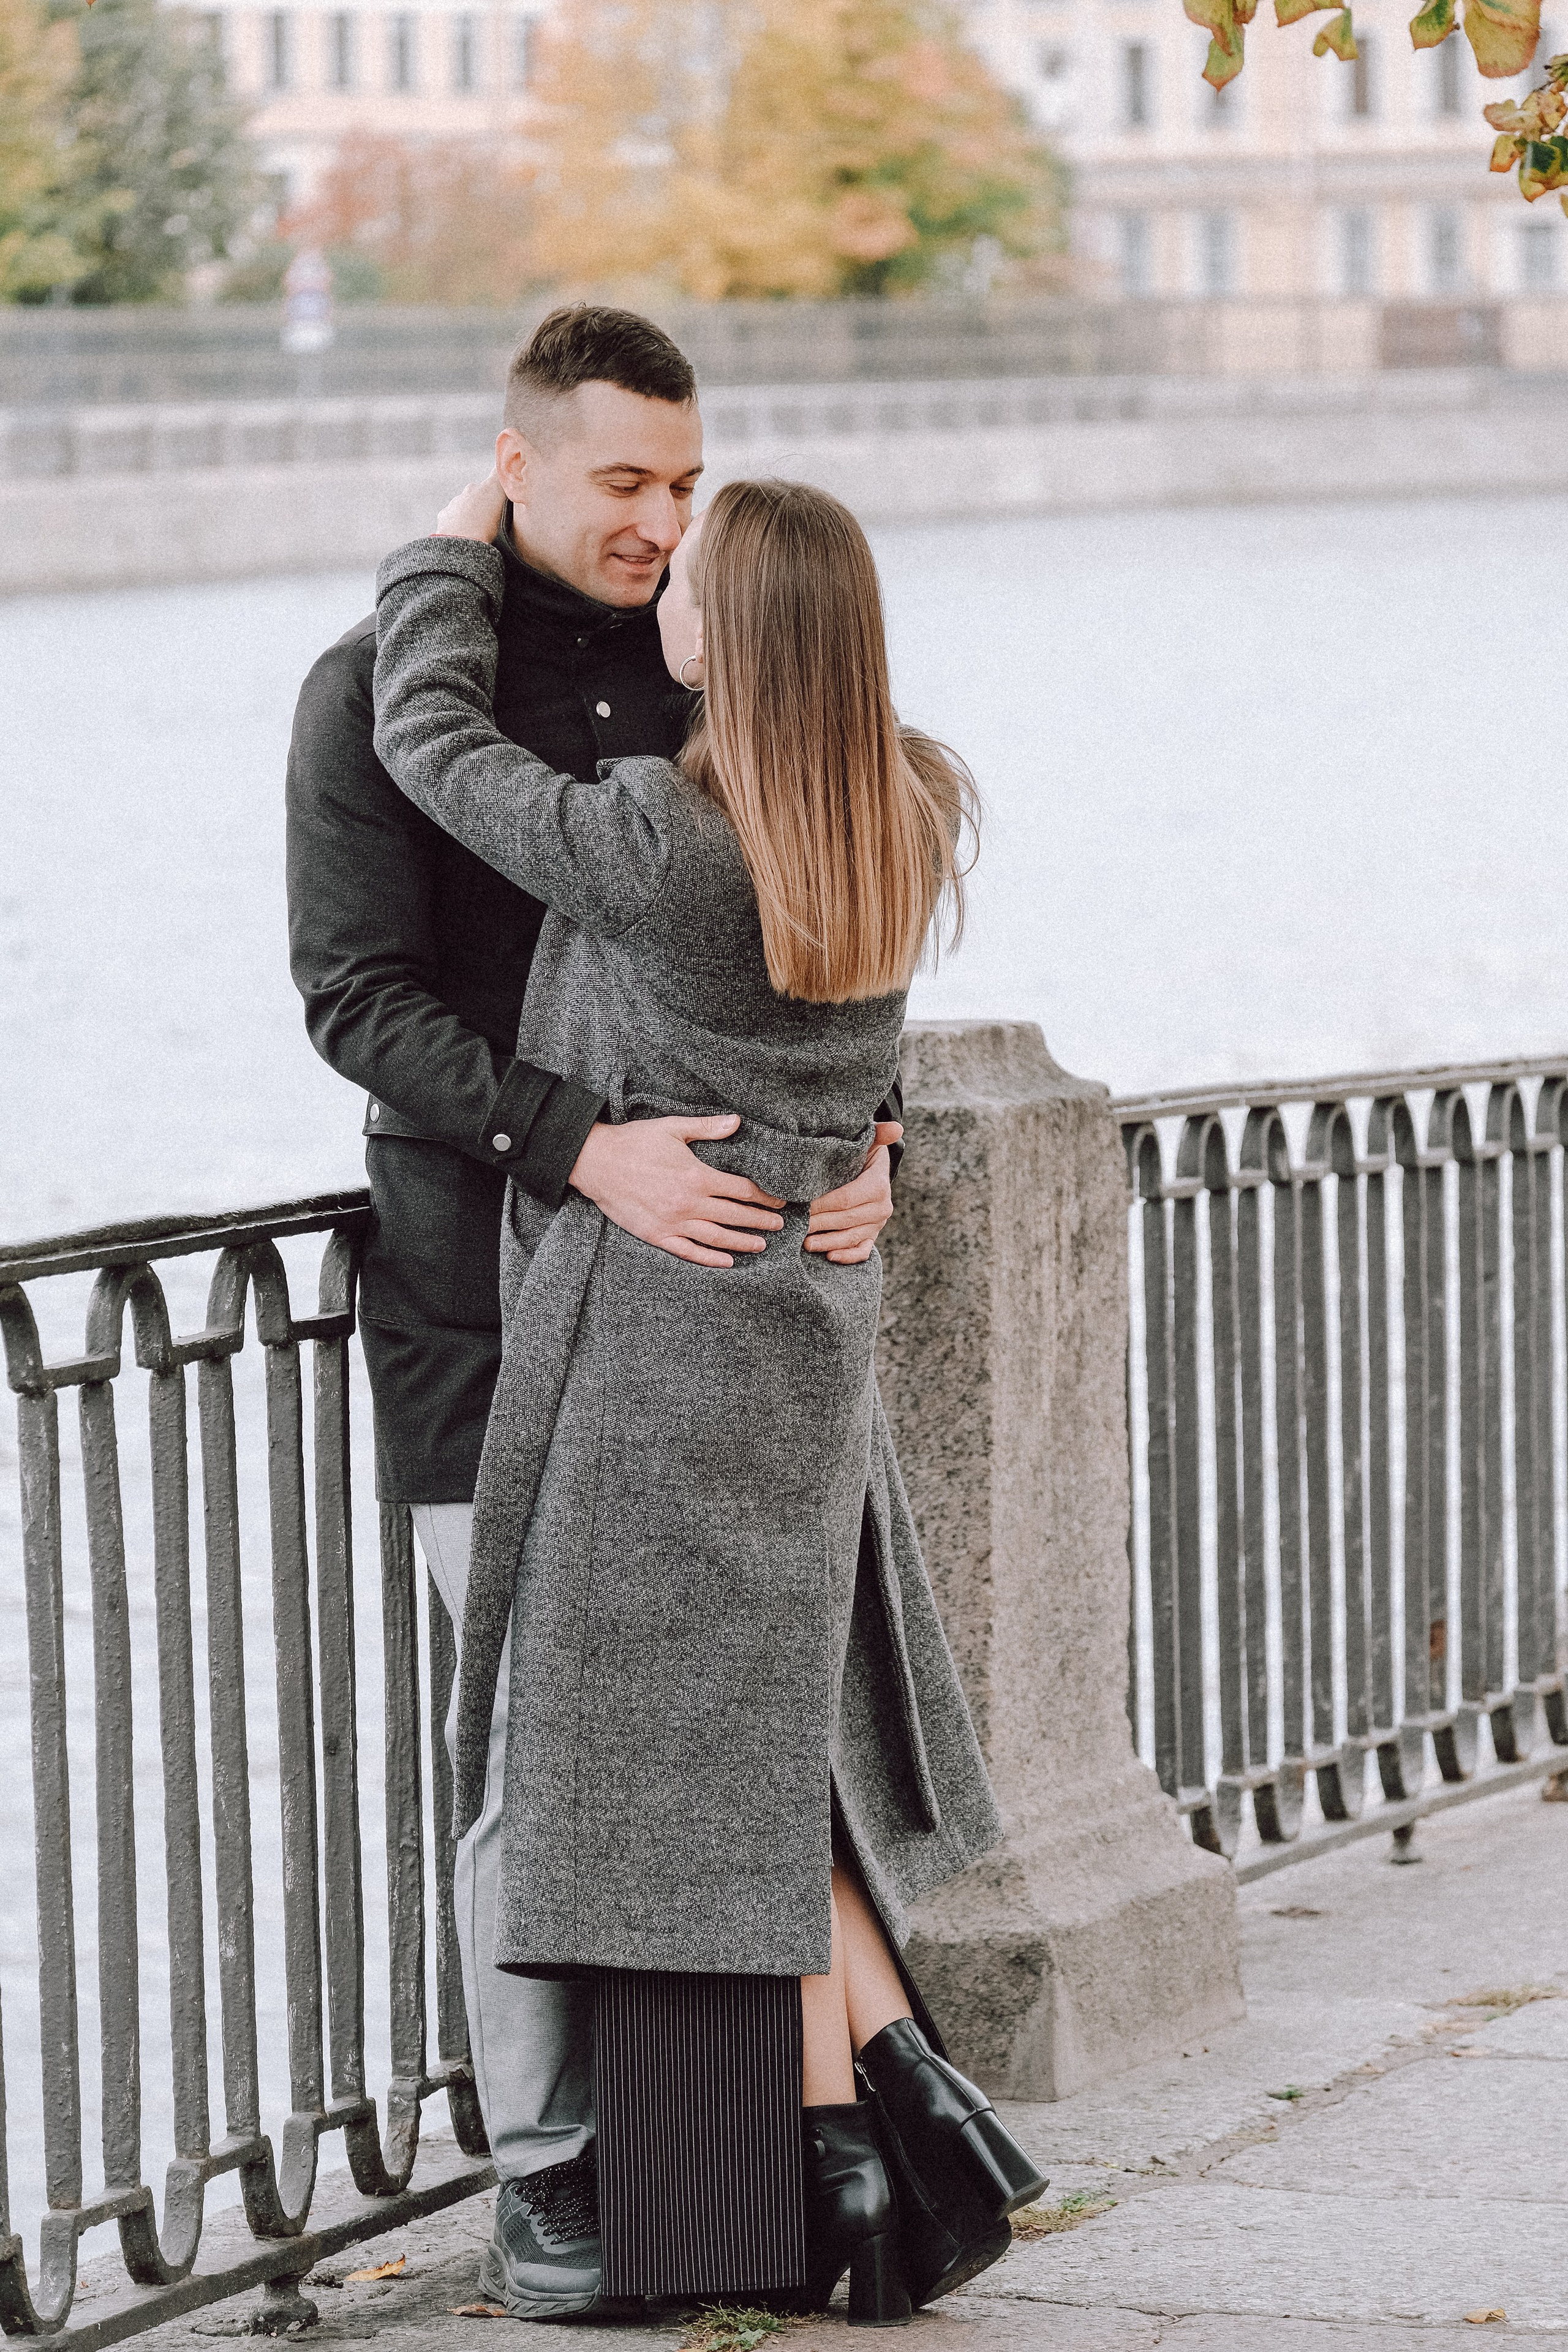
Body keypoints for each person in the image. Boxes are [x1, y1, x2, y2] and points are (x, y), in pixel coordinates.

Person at [368, 469, 1049, 2320]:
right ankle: (880, 2147)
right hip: (803, 1334)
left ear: (725, 639)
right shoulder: (908, 804)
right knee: (759, 1766)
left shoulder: (665, 842)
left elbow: (430, 743)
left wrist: (441, 557)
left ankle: (849, 2160)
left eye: (694, 584)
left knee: (684, 1778)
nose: (660, 590)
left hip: (657, 1347)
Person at [285, 308, 902, 2318]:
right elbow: (358, 1003)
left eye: (686, 486)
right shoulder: (369, 690)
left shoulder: (723, 683)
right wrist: (581, 1147)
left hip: (720, 1295)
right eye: (624, 480)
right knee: (524, 1756)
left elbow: (814, 948)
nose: (660, 522)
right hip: (490, 1285)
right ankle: (554, 2164)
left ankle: (756, 2163)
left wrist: (876, 1137)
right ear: (519, 465)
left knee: (738, 1734)